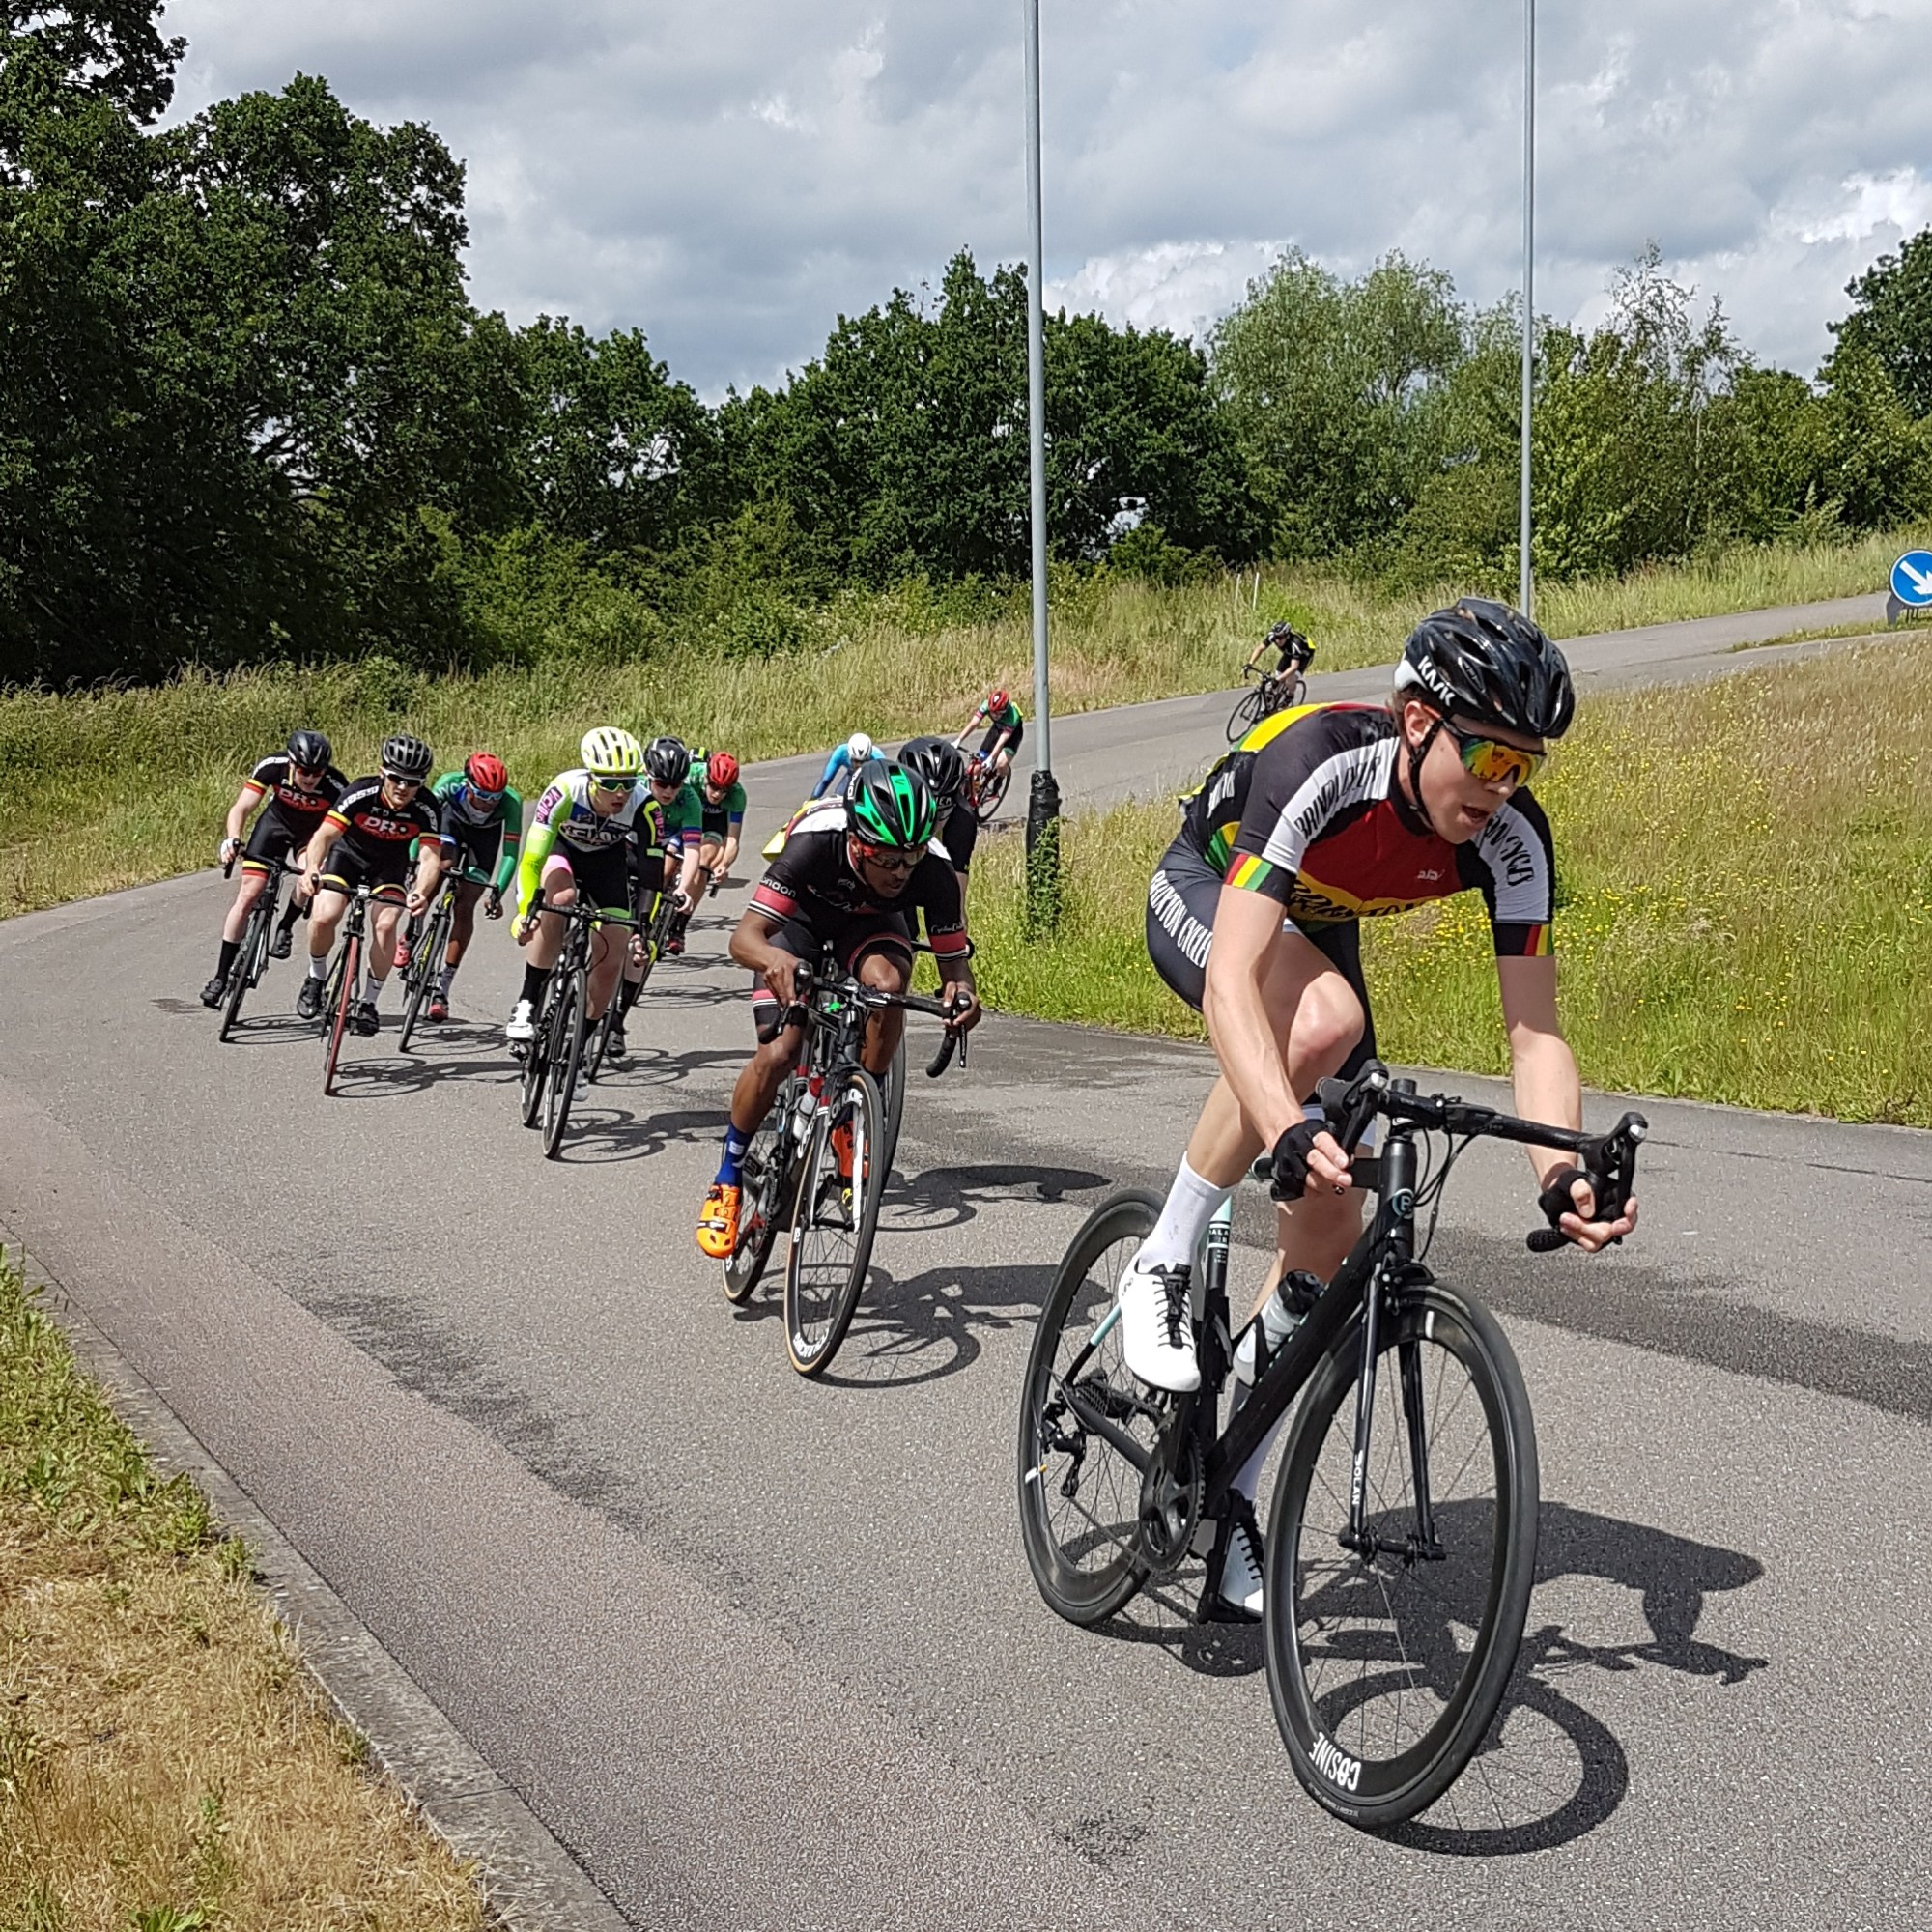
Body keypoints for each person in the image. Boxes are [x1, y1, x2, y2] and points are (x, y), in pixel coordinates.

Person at [1125, 598, 1638, 1620]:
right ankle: (1164, 1252)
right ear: (1416, 721)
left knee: (1326, 1239)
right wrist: (1282, 1122)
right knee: (1322, 1021)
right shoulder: (1321, 762)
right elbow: (1233, 982)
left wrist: (1559, 1171)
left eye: (1523, 766)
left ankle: (1230, 1491)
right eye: (1487, 757)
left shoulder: (1512, 840)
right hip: (1212, 889)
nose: (1502, 788)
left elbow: (1534, 1035)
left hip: (1316, 932)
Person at [696, 761, 980, 1261]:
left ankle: (853, 1115)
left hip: (869, 928)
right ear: (856, 842)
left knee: (889, 988)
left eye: (910, 857)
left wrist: (963, 996)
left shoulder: (931, 868)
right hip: (799, 924)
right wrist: (774, 960)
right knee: (781, 1052)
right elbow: (744, 939)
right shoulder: (815, 842)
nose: (900, 871)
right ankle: (728, 1174)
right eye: (887, 858)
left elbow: (955, 969)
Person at [507, 727, 659, 1045]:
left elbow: (651, 877)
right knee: (561, 898)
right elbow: (532, 861)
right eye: (610, 783)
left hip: (606, 862)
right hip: (563, 851)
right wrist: (525, 911)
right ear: (591, 778)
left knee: (613, 955)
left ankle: (581, 1044)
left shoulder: (646, 806)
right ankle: (527, 1002)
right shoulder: (565, 790)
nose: (621, 793)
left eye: (629, 782)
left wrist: (643, 931)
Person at [297, 735, 444, 1035]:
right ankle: (316, 977)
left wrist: (421, 891)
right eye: (396, 778)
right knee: (324, 916)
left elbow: (430, 858)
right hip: (348, 857)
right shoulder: (360, 792)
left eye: (412, 782)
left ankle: (368, 1002)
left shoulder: (427, 807)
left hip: (389, 866)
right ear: (382, 773)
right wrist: (311, 867)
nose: (403, 787)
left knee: (386, 926)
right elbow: (324, 835)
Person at [201, 729, 346, 1008]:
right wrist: (232, 838)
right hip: (274, 827)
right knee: (248, 895)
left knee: (308, 877)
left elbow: (340, 830)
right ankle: (220, 977)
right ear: (291, 763)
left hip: (310, 836)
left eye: (317, 773)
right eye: (304, 771)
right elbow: (242, 807)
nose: (311, 778)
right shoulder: (272, 766)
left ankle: (285, 926)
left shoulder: (336, 785)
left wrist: (321, 866)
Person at [401, 752, 523, 1023]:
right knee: (442, 865)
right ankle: (411, 932)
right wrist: (412, 860)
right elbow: (422, 824)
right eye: (482, 795)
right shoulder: (449, 784)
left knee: (466, 904)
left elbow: (510, 853)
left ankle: (443, 988)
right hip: (450, 825)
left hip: (484, 840)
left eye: (495, 798)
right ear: (467, 784)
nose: (489, 803)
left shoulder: (511, 802)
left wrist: (498, 890)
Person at [896, 735, 976, 898]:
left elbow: (957, 896)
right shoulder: (889, 811)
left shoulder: (963, 819)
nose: (930, 823)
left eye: (941, 812)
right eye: (923, 811)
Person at [692, 749, 746, 890]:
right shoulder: (692, 775)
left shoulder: (737, 796)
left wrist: (724, 864)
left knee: (706, 854)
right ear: (706, 777)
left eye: (724, 790)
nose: (717, 794)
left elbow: (733, 840)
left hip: (715, 819)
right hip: (689, 810)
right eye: (714, 786)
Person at [953, 687, 1024, 782]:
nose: (994, 715)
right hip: (998, 728)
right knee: (976, 766)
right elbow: (973, 723)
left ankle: (1001, 777)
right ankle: (975, 787)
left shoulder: (1013, 716)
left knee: (1000, 764)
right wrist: (958, 740)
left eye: (998, 713)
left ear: (1004, 710)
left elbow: (1002, 740)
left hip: (1014, 734)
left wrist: (991, 758)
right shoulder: (986, 705)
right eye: (992, 712)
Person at [809, 730, 880, 801]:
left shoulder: (878, 758)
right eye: (856, 761)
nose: (859, 766)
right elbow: (825, 780)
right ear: (849, 755)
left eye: (863, 762)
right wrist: (812, 800)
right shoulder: (841, 753)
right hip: (851, 773)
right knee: (839, 798)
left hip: (870, 777)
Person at [1242, 620, 1315, 680]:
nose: (1277, 640)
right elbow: (1260, 648)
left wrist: (1278, 679)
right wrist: (1250, 663)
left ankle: (1290, 692)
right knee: (1278, 674)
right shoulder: (1272, 636)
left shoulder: (1296, 644)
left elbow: (1294, 667)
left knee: (1290, 679)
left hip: (1304, 657)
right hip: (1289, 653)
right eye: (1276, 637)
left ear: (1287, 636)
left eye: (1280, 637)